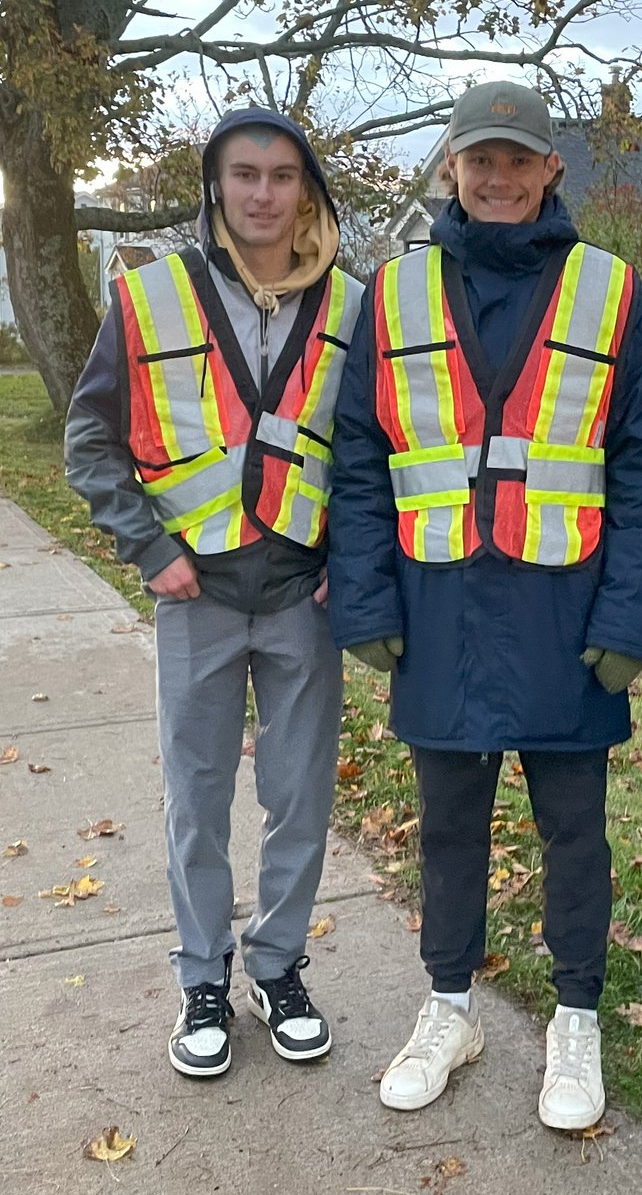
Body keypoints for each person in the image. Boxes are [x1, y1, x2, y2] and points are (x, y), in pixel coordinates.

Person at [328, 80, 642, 1130]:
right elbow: (357, 461)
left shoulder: (611, 293)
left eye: (516, 160)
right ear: (451, 169)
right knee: (448, 829)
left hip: (566, 621)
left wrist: (627, 623)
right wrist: (364, 602)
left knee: (574, 831)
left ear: (549, 171)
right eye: (478, 159)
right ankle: (450, 1009)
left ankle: (576, 1018)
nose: (496, 176)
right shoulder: (389, 296)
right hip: (436, 613)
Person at [65, 107, 363, 1077]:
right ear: (216, 188)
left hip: (301, 594)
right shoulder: (151, 298)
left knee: (299, 798)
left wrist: (349, 564)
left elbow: (379, 454)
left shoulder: (353, 306)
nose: (264, 193)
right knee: (196, 798)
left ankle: (278, 970)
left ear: (305, 190)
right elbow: (89, 439)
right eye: (245, 175)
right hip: (195, 594)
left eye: (282, 176)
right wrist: (149, 549)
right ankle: (204, 979)